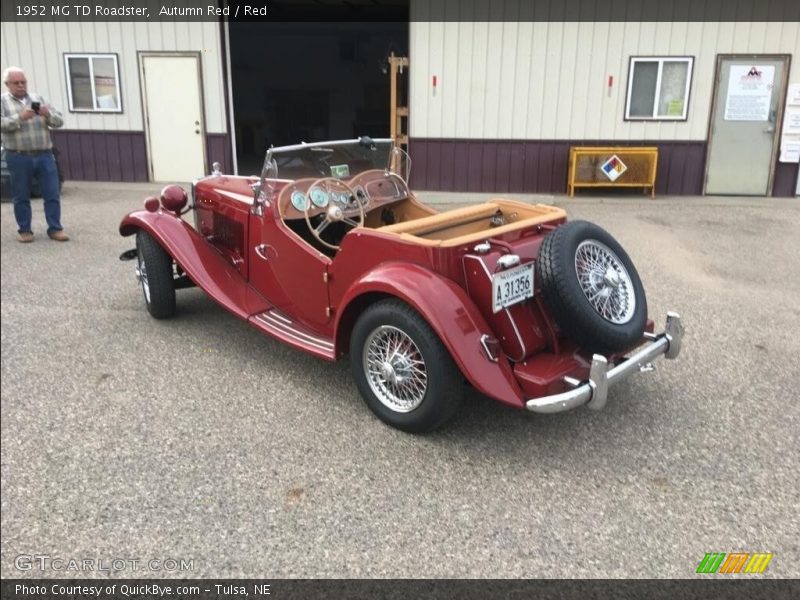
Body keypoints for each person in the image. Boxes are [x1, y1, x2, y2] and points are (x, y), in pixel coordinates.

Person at [1, 66, 68, 242]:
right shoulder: (3, 102)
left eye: (23, 82)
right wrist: (20, 118)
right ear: (7, 84)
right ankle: (25, 230)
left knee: (51, 193)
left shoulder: (39, 99)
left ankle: (55, 228)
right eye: (16, 83)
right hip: (18, 156)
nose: (21, 85)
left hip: (45, 154)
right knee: (21, 195)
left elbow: (59, 121)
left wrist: (47, 115)